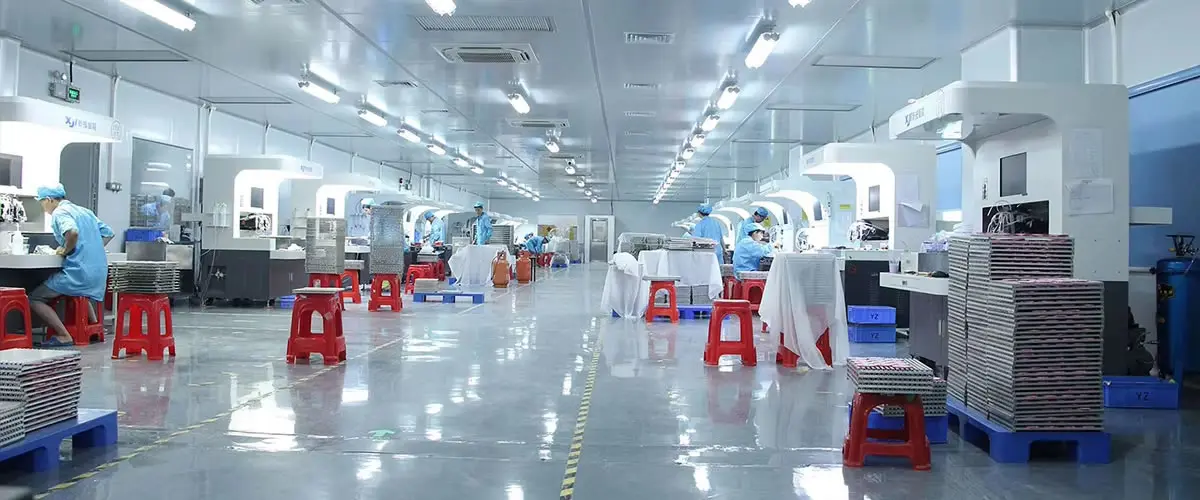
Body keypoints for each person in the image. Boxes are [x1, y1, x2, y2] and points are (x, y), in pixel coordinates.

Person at [30, 184, 114, 347]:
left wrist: (66, 250)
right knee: (80, 293)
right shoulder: (84, 211)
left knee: (35, 298)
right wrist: (90, 249)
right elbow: (108, 233)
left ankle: (63, 335)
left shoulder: (60, 212)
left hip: (79, 273)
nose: (43, 207)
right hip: (98, 273)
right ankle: (93, 328)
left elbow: (72, 232)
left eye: (42, 202)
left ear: (49, 200)